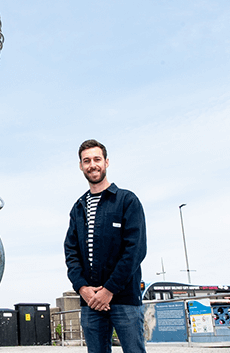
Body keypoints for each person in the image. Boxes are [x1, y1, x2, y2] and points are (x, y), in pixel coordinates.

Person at [64, 139, 147, 353]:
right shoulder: (78, 208)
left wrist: (109, 290)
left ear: (107, 162)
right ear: (81, 166)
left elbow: (135, 250)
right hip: (90, 301)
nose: (92, 164)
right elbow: (71, 253)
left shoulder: (127, 201)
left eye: (97, 159)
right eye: (87, 161)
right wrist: (83, 288)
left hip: (124, 299)